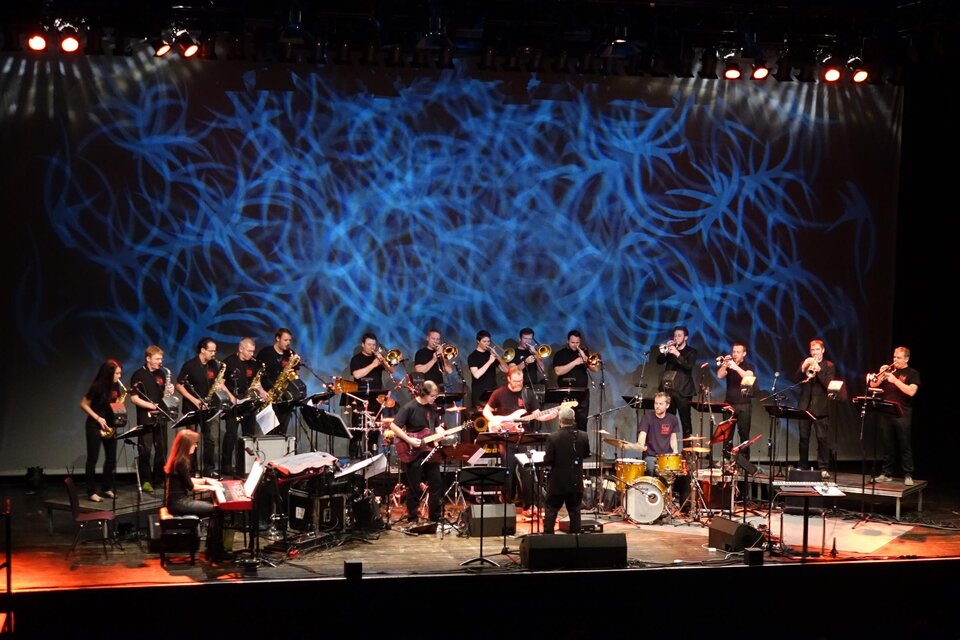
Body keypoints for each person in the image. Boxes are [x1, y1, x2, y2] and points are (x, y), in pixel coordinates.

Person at [482, 365, 554, 511]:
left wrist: (552, 414)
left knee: (526, 472)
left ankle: (528, 505)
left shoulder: (528, 394)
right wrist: (495, 420)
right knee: (507, 472)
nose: (518, 383)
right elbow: (486, 410)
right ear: (508, 379)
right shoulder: (499, 393)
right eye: (515, 381)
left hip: (524, 438)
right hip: (506, 438)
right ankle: (506, 505)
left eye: (520, 380)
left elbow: (537, 414)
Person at [163, 429, 230, 561]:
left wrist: (206, 479)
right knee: (217, 510)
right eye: (194, 443)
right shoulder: (181, 461)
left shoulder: (179, 459)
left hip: (177, 501)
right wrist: (212, 487)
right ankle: (216, 551)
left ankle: (212, 549)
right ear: (187, 444)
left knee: (216, 509)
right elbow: (192, 487)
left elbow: (188, 480)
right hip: (178, 503)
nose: (196, 445)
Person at [176, 337, 235, 476]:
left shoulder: (214, 364)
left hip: (208, 408)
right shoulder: (190, 365)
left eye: (215, 351)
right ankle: (191, 471)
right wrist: (195, 400)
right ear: (202, 350)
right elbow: (179, 385)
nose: (214, 353)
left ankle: (209, 469)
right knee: (191, 441)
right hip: (192, 407)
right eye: (211, 351)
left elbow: (217, 382)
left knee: (210, 439)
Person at [390, 380, 446, 523]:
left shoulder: (432, 408)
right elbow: (394, 425)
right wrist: (409, 440)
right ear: (424, 393)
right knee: (414, 486)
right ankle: (412, 518)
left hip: (428, 450)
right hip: (412, 451)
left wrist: (442, 432)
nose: (435, 398)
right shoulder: (410, 407)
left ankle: (435, 517)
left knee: (436, 483)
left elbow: (437, 427)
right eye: (433, 395)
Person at [869, 346, 920, 485]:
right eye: (894, 357)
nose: (895, 360)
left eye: (898, 358)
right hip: (887, 412)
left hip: (903, 413)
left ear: (906, 358)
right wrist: (880, 374)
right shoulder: (890, 371)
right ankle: (886, 473)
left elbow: (911, 392)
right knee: (887, 444)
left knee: (904, 444)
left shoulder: (912, 373)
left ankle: (908, 474)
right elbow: (872, 384)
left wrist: (895, 381)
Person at [129, 346, 175, 492]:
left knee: (162, 449)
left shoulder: (161, 373)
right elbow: (134, 398)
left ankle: (159, 479)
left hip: (161, 416)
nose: (160, 362)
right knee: (146, 450)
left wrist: (169, 390)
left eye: (161, 359)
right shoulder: (138, 375)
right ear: (148, 358)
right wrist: (151, 405)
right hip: (146, 417)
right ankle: (146, 481)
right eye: (157, 359)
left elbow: (163, 395)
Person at [79, 360, 123, 502]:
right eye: (117, 373)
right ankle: (91, 491)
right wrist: (98, 418)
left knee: (111, 458)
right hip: (95, 424)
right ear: (109, 373)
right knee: (93, 458)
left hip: (110, 424)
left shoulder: (116, 385)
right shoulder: (97, 386)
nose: (119, 376)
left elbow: (115, 402)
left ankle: (106, 487)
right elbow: (83, 404)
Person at [543, 406, 590, 534]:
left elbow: (548, 460)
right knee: (575, 511)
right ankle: (576, 539)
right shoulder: (583, 436)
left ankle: (547, 539)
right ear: (573, 419)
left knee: (551, 510)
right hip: (575, 481)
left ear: (560, 420)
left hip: (557, 483)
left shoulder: (553, 437)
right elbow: (586, 454)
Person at [222, 337, 264, 477]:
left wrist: (262, 392)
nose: (252, 354)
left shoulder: (254, 363)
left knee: (249, 435)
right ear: (241, 349)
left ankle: (246, 464)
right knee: (231, 435)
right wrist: (231, 396)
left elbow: (256, 383)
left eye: (253, 351)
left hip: (248, 403)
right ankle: (226, 465)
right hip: (233, 403)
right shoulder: (229, 362)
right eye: (249, 351)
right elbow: (221, 383)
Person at [794, 339, 837, 477]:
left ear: (823, 350)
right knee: (803, 437)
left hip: (821, 408)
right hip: (805, 406)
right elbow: (795, 380)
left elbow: (829, 385)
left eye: (817, 349)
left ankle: (823, 467)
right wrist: (802, 368)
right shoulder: (805, 364)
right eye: (812, 350)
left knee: (822, 438)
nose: (815, 352)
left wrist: (819, 371)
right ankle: (802, 465)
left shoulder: (829, 366)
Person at [350, 332, 394, 458]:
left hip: (377, 398)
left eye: (374, 345)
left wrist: (384, 361)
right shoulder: (356, 359)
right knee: (357, 429)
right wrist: (373, 364)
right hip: (360, 398)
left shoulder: (378, 358)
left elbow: (392, 370)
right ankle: (354, 457)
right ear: (363, 344)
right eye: (369, 345)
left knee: (375, 429)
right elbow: (357, 375)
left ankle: (373, 455)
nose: (372, 347)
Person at [656, 326, 698, 440]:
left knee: (686, 422)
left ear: (686, 338)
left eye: (679, 336)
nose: (676, 338)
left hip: (683, 391)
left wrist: (677, 353)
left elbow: (688, 366)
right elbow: (659, 361)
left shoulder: (691, 352)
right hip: (668, 391)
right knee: (667, 421)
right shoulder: (670, 351)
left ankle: (687, 453)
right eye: (675, 336)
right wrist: (665, 352)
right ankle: (666, 450)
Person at [256, 328, 300, 437]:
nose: (288, 343)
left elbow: (296, 374)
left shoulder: (290, 354)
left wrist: (292, 375)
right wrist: (261, 391)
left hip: (285, 397)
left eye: (289, 340)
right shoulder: (265, 353)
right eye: (285, 340)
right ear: (277, 338)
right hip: (269, 395)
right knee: (270, 432)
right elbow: (257, 375)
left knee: (282, 431)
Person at [716, 342, 756, 459]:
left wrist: (735, 367)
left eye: (738, 352)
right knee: (727, 435)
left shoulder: (748, 366)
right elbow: (719, 375)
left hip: (744, 404)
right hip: (729, 404)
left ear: (744, 354)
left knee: (744, 434)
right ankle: (726, 461)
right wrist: (725, 365)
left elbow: (748, 378)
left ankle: (744, 462)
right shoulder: (729, 365)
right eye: (734, 352)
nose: (735, 354)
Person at [552, 330, 598, 430]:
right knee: (566, 422)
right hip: (566, 393)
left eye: (577, 343)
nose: (575, 345)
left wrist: (586, 359)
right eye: (573, 342)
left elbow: (595, 369)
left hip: (582, 393)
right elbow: (558, 372)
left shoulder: (584, 353)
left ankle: (581, 444)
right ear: (567, 341)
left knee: (582, 421)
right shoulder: (560, 354)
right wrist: (575, 362)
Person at [636, 392, 681, 482]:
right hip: (651, 455)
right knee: (651, 468)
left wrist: (675, 451)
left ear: (667, 405)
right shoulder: (647, 418)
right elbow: (642, 435)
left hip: (666, 457)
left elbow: (673, 438)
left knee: (675, 473)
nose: (657, 406)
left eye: (661, 404)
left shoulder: (672, 419)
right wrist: (640, 444)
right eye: (656, 403)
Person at [468, 330, 507, 409]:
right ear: (478, 342)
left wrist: (497, 356)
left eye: (489, 341)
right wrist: (489, 362)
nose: (487, 343)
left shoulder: (491, 355)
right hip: (479, 393)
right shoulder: (472, 356)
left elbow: (506, 370)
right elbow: (476, 375)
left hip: (492, 391)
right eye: (484, 341)